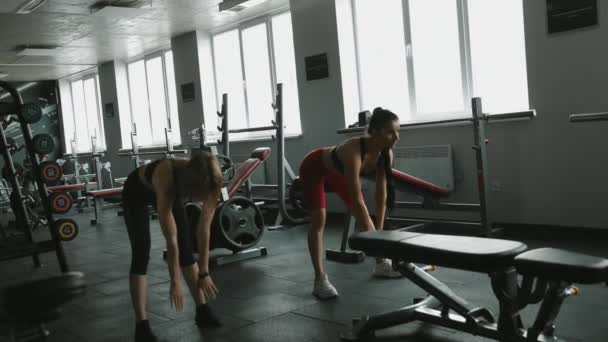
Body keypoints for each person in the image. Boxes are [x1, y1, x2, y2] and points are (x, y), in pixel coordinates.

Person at [299, 107, 401, 300]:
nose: (396, 138)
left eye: (398, 132)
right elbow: (356, 199)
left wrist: (378, 239)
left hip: (336, 173)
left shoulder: (386, 154)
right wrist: (375, 238)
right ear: (374, 132)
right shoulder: (353, 151)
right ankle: (319, 280)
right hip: (313, 167)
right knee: (320, 218)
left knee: (364, 220)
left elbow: (381, 196)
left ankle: (380, 265)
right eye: (390, 132)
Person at [122, 151, 223, 342]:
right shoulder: (166, 178)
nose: (201, 199)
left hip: (174, 189)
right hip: (136, 191)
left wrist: (204, 272)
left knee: (187, 248)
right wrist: (175, 280)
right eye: (198, 196)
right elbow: (171, 239)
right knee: (141, 252)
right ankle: (141, 326)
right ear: (191, 187)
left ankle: (202, 310)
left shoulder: (214, 180)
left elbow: (203, 230)